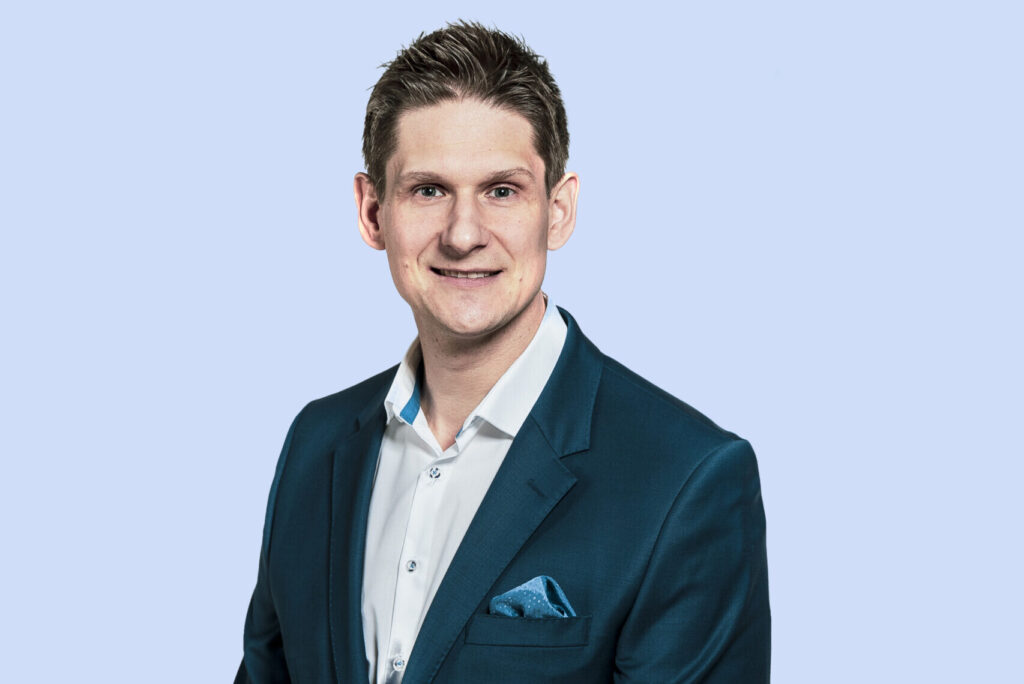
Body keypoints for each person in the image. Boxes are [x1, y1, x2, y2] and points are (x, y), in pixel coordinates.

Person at [236, 21, 770, 683]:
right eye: (428, 190)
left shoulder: (686, 481)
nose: (464, 235)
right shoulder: (314, 446)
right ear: (373, 212)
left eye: (501, 191)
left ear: (558, 210)